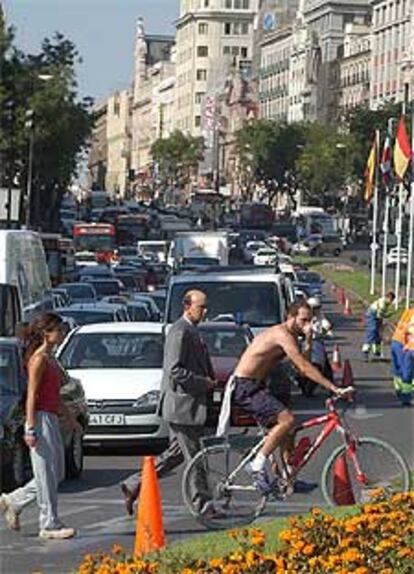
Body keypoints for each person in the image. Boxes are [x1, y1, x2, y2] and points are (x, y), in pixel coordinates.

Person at [229, 300, 345, 494]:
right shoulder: (282, 335)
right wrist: (333, 387)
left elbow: (303, 364)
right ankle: (257, 465)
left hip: (260, 386)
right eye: (303, 320)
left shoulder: (293, 335)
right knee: (287, 419)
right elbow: (304, 368)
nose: (307, 324)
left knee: (288, 433)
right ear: (290, 317)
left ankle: (288, 480)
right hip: (246, 386)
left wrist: (308, 339)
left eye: (310, 320)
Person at [121, 290, 216, 516]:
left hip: (188, 405)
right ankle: (203, 505)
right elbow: (174, 370)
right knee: (195, 457)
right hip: (182, 406)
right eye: (201, 307)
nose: (205, 311)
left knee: (176, 454)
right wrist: (203, 383)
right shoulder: (180, 331)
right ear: (187, 306)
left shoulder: (192, 330)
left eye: (205, 306)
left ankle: (134, 483)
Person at [0, 313, 80, 539]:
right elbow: (32, 395)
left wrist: (70, 418)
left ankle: (13, 501)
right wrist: (30, 427)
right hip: (40, 418)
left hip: (52, 417)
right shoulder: (38, 360)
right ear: (47, 333)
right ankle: (49, 524)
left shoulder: (51, 358)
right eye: (59, 330)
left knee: (57, 472)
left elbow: (56, 393)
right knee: (45, 472)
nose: (62, 333)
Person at [362, 291, 395, 361]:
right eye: (391, 300)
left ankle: (376, 351)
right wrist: (381, 324)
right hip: (371, 315)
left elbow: (381, 314)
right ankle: (365, 351)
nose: (391, 302)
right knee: (372, 331)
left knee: (378, 334)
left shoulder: (386, 304)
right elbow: (379, 315)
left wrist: (387, 315)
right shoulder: (382, 302)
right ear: (388, 297)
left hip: (376, 316)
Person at [390, 309, 414, 405]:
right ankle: (405, 396)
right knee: (407, 371)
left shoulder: (409, 311)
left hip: (397, 341)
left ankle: (400, 390)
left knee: (400, 369)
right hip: (405, 346)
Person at [399, 316, 414, 406]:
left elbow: (404, 334)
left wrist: (405, 346)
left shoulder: (410, 324)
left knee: (407, 374)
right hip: (409, 351)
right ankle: (405, 397)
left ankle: (405, 398)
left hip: (409, 350)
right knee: (407, 374)